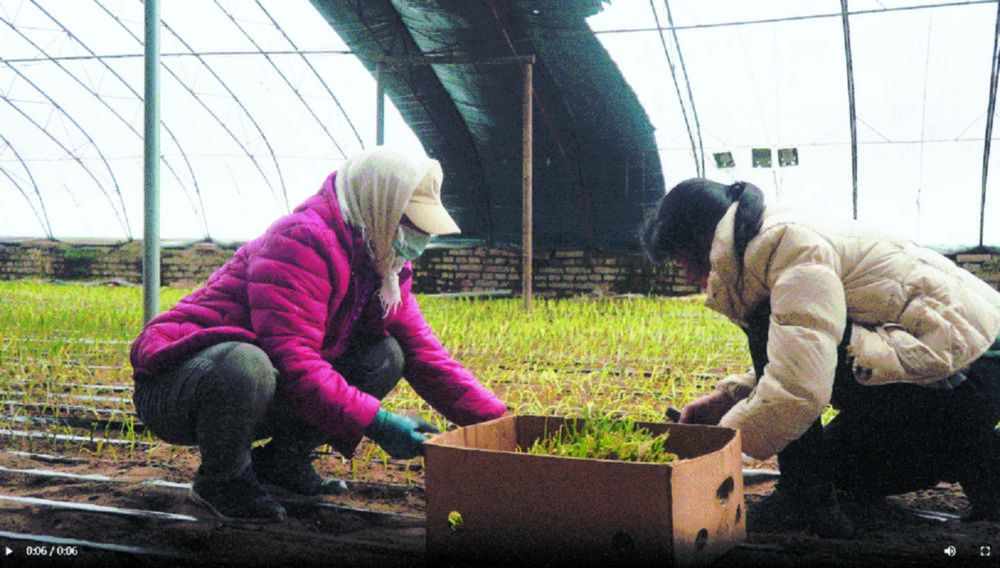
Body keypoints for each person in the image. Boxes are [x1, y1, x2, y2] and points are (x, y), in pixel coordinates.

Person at [130, 147, 507, 522]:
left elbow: (426, 354)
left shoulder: (382, 266)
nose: (417, 240)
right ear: (379, 206)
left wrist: (502, 425)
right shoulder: (301, 241)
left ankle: (281, 461)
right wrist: (377, 421)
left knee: (386, 355)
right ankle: (221, 479)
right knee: (246, 363)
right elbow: (293, 361)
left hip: (261, 383)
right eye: (410, 225)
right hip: (182, 386)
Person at [641, 178, 1000, 538]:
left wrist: (714, 448)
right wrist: (730, 397)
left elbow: (798, 383)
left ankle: (804, 502)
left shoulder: (783, 244)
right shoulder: (767, 236)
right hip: (953, 370)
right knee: (840, 468)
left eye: (683, 260)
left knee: (767, 328)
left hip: (971, 370)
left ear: (703, 239)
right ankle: (976, 455)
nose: (689, 275)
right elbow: (811, 342)